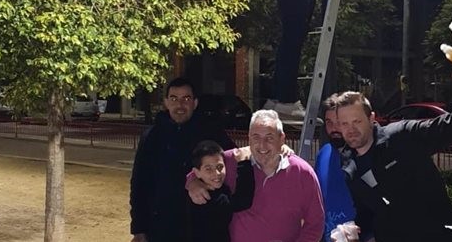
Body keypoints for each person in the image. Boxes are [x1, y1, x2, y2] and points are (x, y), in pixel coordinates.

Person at [334, 59, 452, 242]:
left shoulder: (402, 136)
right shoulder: (348, 164)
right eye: (345, 124)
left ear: (371, 118)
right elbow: (368, 212)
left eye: (357, 121)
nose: (351, 129)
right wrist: (352, 230)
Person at [188, 109, 325, 242]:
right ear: (249, 138)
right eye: (256, 137)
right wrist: (193, 182)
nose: (262, 145)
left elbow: (315, 224)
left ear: (281, 138)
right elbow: (198, 170)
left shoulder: (303, 173)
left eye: (269, 138)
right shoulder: (231, 161)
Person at [129, 77, 236, 242]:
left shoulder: (211, 132)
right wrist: (139, 228)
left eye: (186, 99)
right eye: (174, 99)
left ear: (195, 103)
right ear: (166, 102)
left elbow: (235, 163)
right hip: (162, 228)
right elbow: (139, 184)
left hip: (203, 227)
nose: (180, 105)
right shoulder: (151, 137)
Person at [189, 140, 255, 242]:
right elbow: (243, 201)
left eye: (220, 167)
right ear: (197, 173)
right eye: (208, 169)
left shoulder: (196, 190)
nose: (216, 173)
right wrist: (244, 163)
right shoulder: (210, 198)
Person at [314, 94, 358, 242]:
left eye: (338, 122)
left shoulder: (362, 154)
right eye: (329, 122)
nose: (334, 128)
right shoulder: (323, 154)